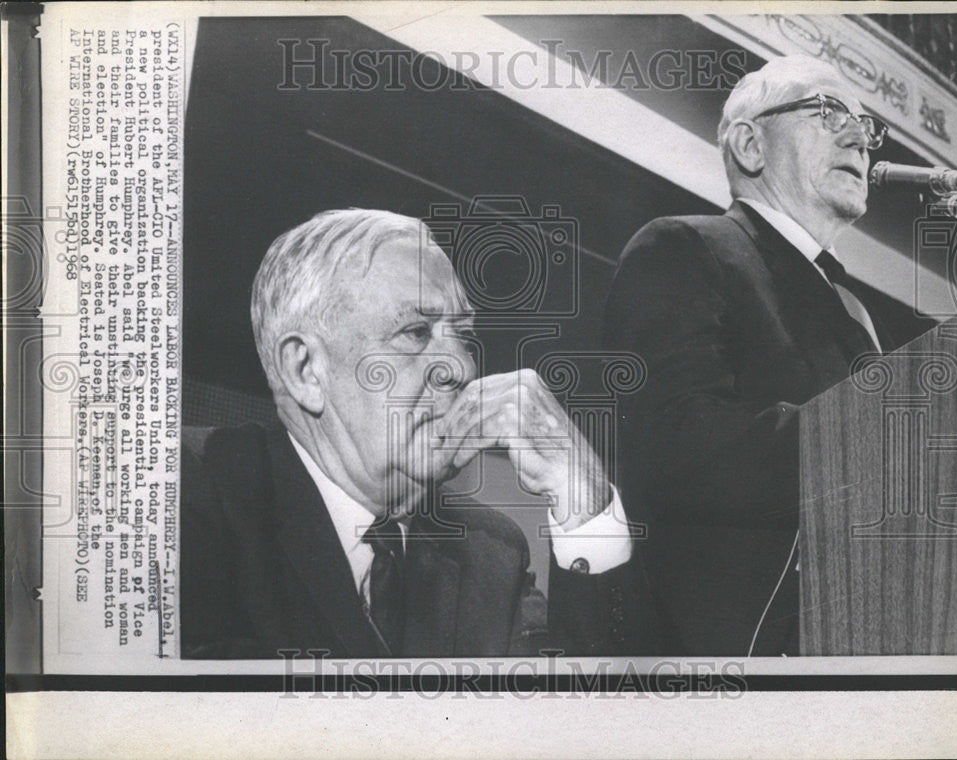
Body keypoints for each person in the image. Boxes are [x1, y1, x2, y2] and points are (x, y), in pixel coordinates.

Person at [182, 208, 655, 659]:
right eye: (415, 332)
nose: (462, 366)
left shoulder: (493, 551)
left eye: (463, 336)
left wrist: (585, 502)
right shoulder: (183, 492)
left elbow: (589, 720)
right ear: (305, 369)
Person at [605, 55, 899, 656]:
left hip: (864, 633)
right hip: (729, 659)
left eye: (866, 127)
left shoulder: (854, 311)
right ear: (749, 144)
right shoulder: (683, 246)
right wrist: (877, 436)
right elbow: (676, 443)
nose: (858, 137)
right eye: (828, 111)